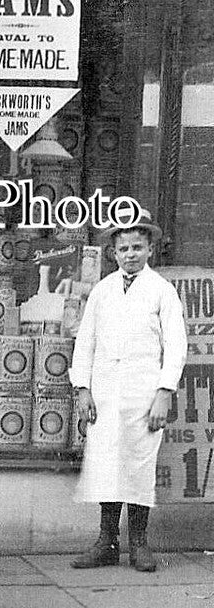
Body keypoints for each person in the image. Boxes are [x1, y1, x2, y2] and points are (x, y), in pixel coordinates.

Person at [69, 210, 187, 572]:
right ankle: (106, 542)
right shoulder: (103, 291)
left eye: (138, 246)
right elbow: (85, 341)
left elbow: (177, 344)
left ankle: (139, 543)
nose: (131, 254)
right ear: (114, 253)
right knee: (106, 464)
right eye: (124, 248)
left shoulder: (162, 291)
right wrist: (83, 389)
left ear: (150, 249)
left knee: (138, 465)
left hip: (143, 394)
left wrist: (164, 392)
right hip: (105, 392)